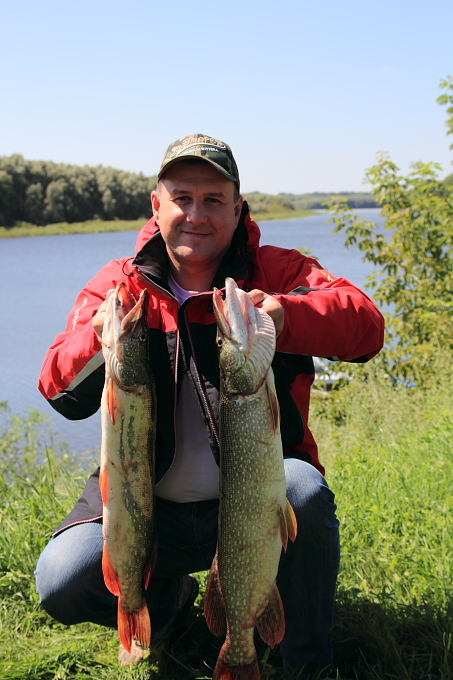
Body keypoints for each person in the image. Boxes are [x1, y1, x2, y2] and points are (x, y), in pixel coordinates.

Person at [35, 133, 384, 679]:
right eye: (183, 198)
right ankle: (170, 603)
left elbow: (366, 326)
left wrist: (289, 317)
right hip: (151, 513)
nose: (197, 214)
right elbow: (56, 385)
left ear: (238, 208)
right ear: (158, 205)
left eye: (214, 200)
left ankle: (305, 663)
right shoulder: (120, 286)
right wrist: (97, 339)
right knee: (61, 576)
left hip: (250, 505)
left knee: (304, 490)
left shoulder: (277, 271)